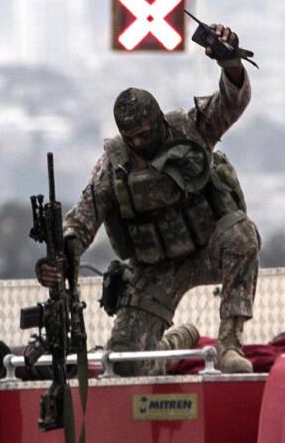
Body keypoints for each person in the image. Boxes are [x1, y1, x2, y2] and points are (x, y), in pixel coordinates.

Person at [37, 24, 259, 374]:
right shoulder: (114, 166)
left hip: (207, 250)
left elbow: (231, 102)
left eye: (145, 134)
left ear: (158, 121)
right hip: (155, 268)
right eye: (132, 137)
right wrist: (62, 257)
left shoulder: (190, 130)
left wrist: (229, 62)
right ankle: (176, 343)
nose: (140, 143)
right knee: (127, 362)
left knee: (241, 234)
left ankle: (229, 343)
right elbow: (82, 220)